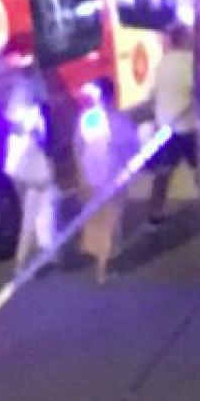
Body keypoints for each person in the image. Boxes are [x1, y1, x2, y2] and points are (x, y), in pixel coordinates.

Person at [76, 78, 136, 284]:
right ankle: (104, 268)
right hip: (114, 175)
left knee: (98, 218)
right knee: (112, 219)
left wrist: (81, 174)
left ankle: (101, 259)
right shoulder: (119, 120)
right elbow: (130, 147)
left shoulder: (87, 118)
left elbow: (79, 147)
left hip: (92, 175)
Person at [146, 23, 199, 227]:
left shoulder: (163, 64)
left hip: (165, 127)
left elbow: (153, 93)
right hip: (187, 127)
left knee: (163, 173)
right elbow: (197, 89)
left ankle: (154, 214)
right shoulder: (190, 63)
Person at [3, 85, 58, 273]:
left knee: (33, 212)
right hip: (35, 173)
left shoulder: (14, 120)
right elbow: (42, 141)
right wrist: (48, 157)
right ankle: (27, 259)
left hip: (17, 172)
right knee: (38, 211)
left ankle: (37, 254)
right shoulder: (35, 116)